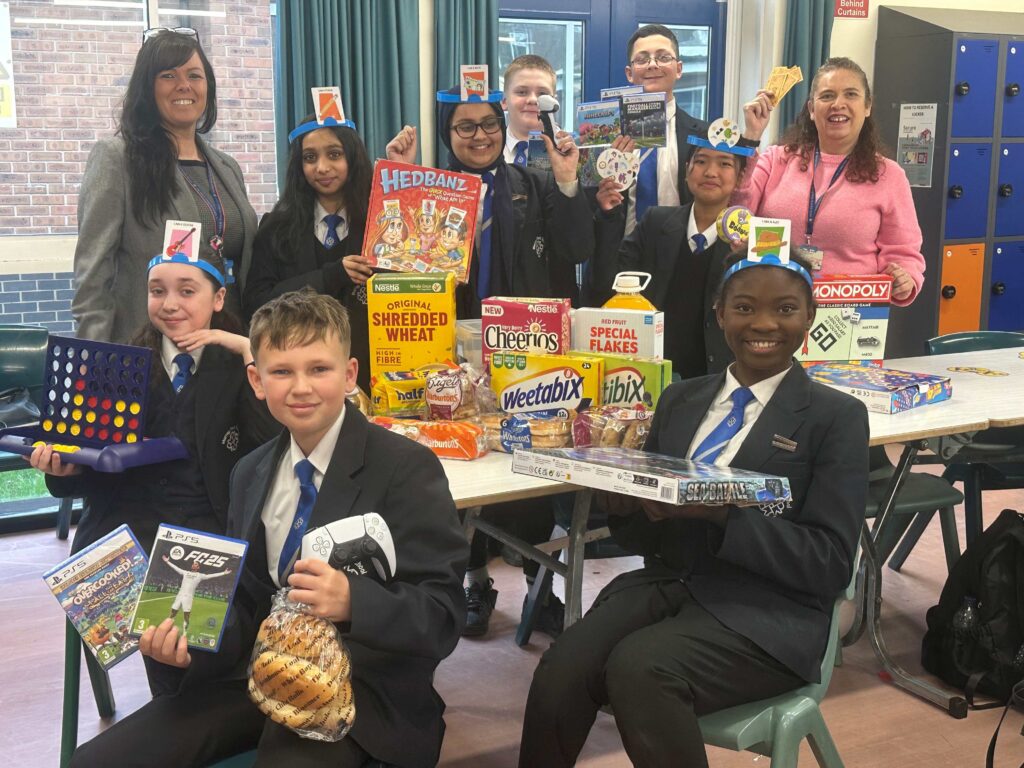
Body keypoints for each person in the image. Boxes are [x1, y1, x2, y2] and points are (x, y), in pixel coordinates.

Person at [68, 290, 469, 768]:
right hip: (257, 675)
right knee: (96, 761)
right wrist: (188, 644)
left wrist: (353, 601)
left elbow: (444, 614)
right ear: (256, 380)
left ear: (349, 375)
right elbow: (246, 603)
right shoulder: (250, 472)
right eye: (281, 372)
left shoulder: (405, 467)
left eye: (318, 369)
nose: (301, 387)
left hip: (361, 693)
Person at [518, 252, 869, 767]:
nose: (764, 324)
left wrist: (722, 516)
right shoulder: (680, 399)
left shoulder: (836, 417)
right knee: (563, 669)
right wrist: (625, 506)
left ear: (809, 316)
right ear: (720, 313)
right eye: (744, 307)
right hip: (670, 584)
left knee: (641, 670)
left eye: (785, 309)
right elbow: (648, 539)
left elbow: (831, 562)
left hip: (770, 613)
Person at [31, 248, 279, 694]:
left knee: (200, 635)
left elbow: (271, 446)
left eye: (187, 291)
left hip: (210, 528)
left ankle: (185, 709)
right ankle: (179, 709)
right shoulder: (118, 368)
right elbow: (93, 463)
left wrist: (249, 350)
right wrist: (65, 471)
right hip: (128, 524)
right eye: (157, 291)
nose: (170, 304)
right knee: (159, 626)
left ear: (218, 298)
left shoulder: (237, 366)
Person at [73, 28, 258, 343]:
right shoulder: (117, 158)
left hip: (226, 346)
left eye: (195, 75)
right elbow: (93, 275)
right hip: (150, 350)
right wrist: (93, 356)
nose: (184, 85)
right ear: (148, 88)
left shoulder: (227, 167)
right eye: (168, 76)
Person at [582, 24, 765, 303]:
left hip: (683, 261)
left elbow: (735, 189)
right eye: (642, 59)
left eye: (663, 57)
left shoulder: (704, 136)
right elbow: (585, 210)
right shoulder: (601, 133)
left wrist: (752, 136)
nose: (652, 64)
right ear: (630, 73)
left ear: (678, 69)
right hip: (616, 262)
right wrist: (601, 177)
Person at [385, 84, 594, 315]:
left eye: (490, 123)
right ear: (447, 133)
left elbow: (577, 250)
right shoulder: (430, 195)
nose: (480, 135)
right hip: (452, 325)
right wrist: (402, 180)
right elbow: (400, 269)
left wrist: (566, 178)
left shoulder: (538, 185)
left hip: (526, 327)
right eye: (466, 127)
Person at [732, 56, 925, 305]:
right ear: (812, 110)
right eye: (827, 96)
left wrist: (904, 278)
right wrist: (752, 135)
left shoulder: (889, 175)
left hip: (850, 313)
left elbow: (904, 253)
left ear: (867, 107)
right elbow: (737, 210)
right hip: (774, 305)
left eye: (851, 94)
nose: (838, 104)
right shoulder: (776, 159)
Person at [587, 134, 748, 378]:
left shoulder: (748, 242)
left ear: (740, 178)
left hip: (716, 378)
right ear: (687, 170)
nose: (711, 172)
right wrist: (608, 217)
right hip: (650, 373)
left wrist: (744, 262)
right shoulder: (655, 222)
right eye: (701, 161)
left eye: (724, 164)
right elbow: (608, 282)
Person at [243, 114, 374, 392]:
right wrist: (329, 277)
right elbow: (257, 304)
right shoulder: (276, 228)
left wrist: (401, 171)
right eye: (310, 157)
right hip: (300, 381)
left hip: (372, 374)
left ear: (353, 158)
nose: (322, 167)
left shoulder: (381, 223)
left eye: (334, 154)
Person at [501, 54, 558, 167]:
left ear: (554, 101)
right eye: (522, 92)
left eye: (542, 93)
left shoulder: (572, 153)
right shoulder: (486, 152)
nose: (533, 100)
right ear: (504, 101)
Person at [162, 555, 233, 636]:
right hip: (179, 596)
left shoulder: (200, 575)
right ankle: (167, 628)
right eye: (193, 564)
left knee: (186, 616)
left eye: (195, 564)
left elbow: (211, 575)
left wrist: (223, 573)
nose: (193, 565)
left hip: (188, 598)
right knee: (173, 613)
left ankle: (184, 633)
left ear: (198, 567)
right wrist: (167, 561)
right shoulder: (185, 572)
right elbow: (176, 568)